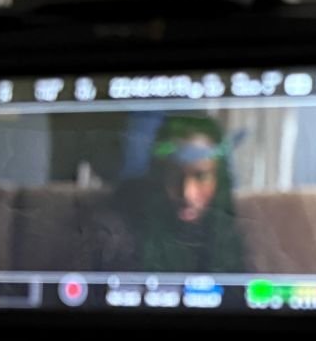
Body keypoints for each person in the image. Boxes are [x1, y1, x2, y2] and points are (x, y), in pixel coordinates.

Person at [92, 113, 247, 273]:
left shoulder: (233, 232)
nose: (187, 194)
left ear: (219, 180)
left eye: (201, 176)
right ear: (159, 175)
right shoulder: (117, 234)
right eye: (175, 175)